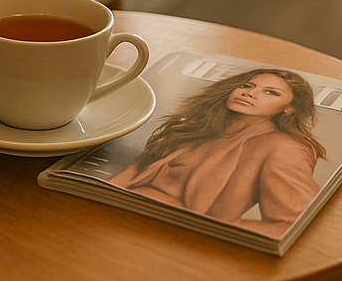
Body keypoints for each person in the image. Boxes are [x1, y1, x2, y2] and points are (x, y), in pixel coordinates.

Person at [107, 68, 326, 237]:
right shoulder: (197, 126)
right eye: (246, 85)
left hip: (168, 236)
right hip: (114, 214)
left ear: (289, 108)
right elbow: (133, 171)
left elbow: (296, 222)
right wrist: (106, 196)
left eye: (270, 92)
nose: (249, 93)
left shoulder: (283, 148)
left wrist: (209, 228)